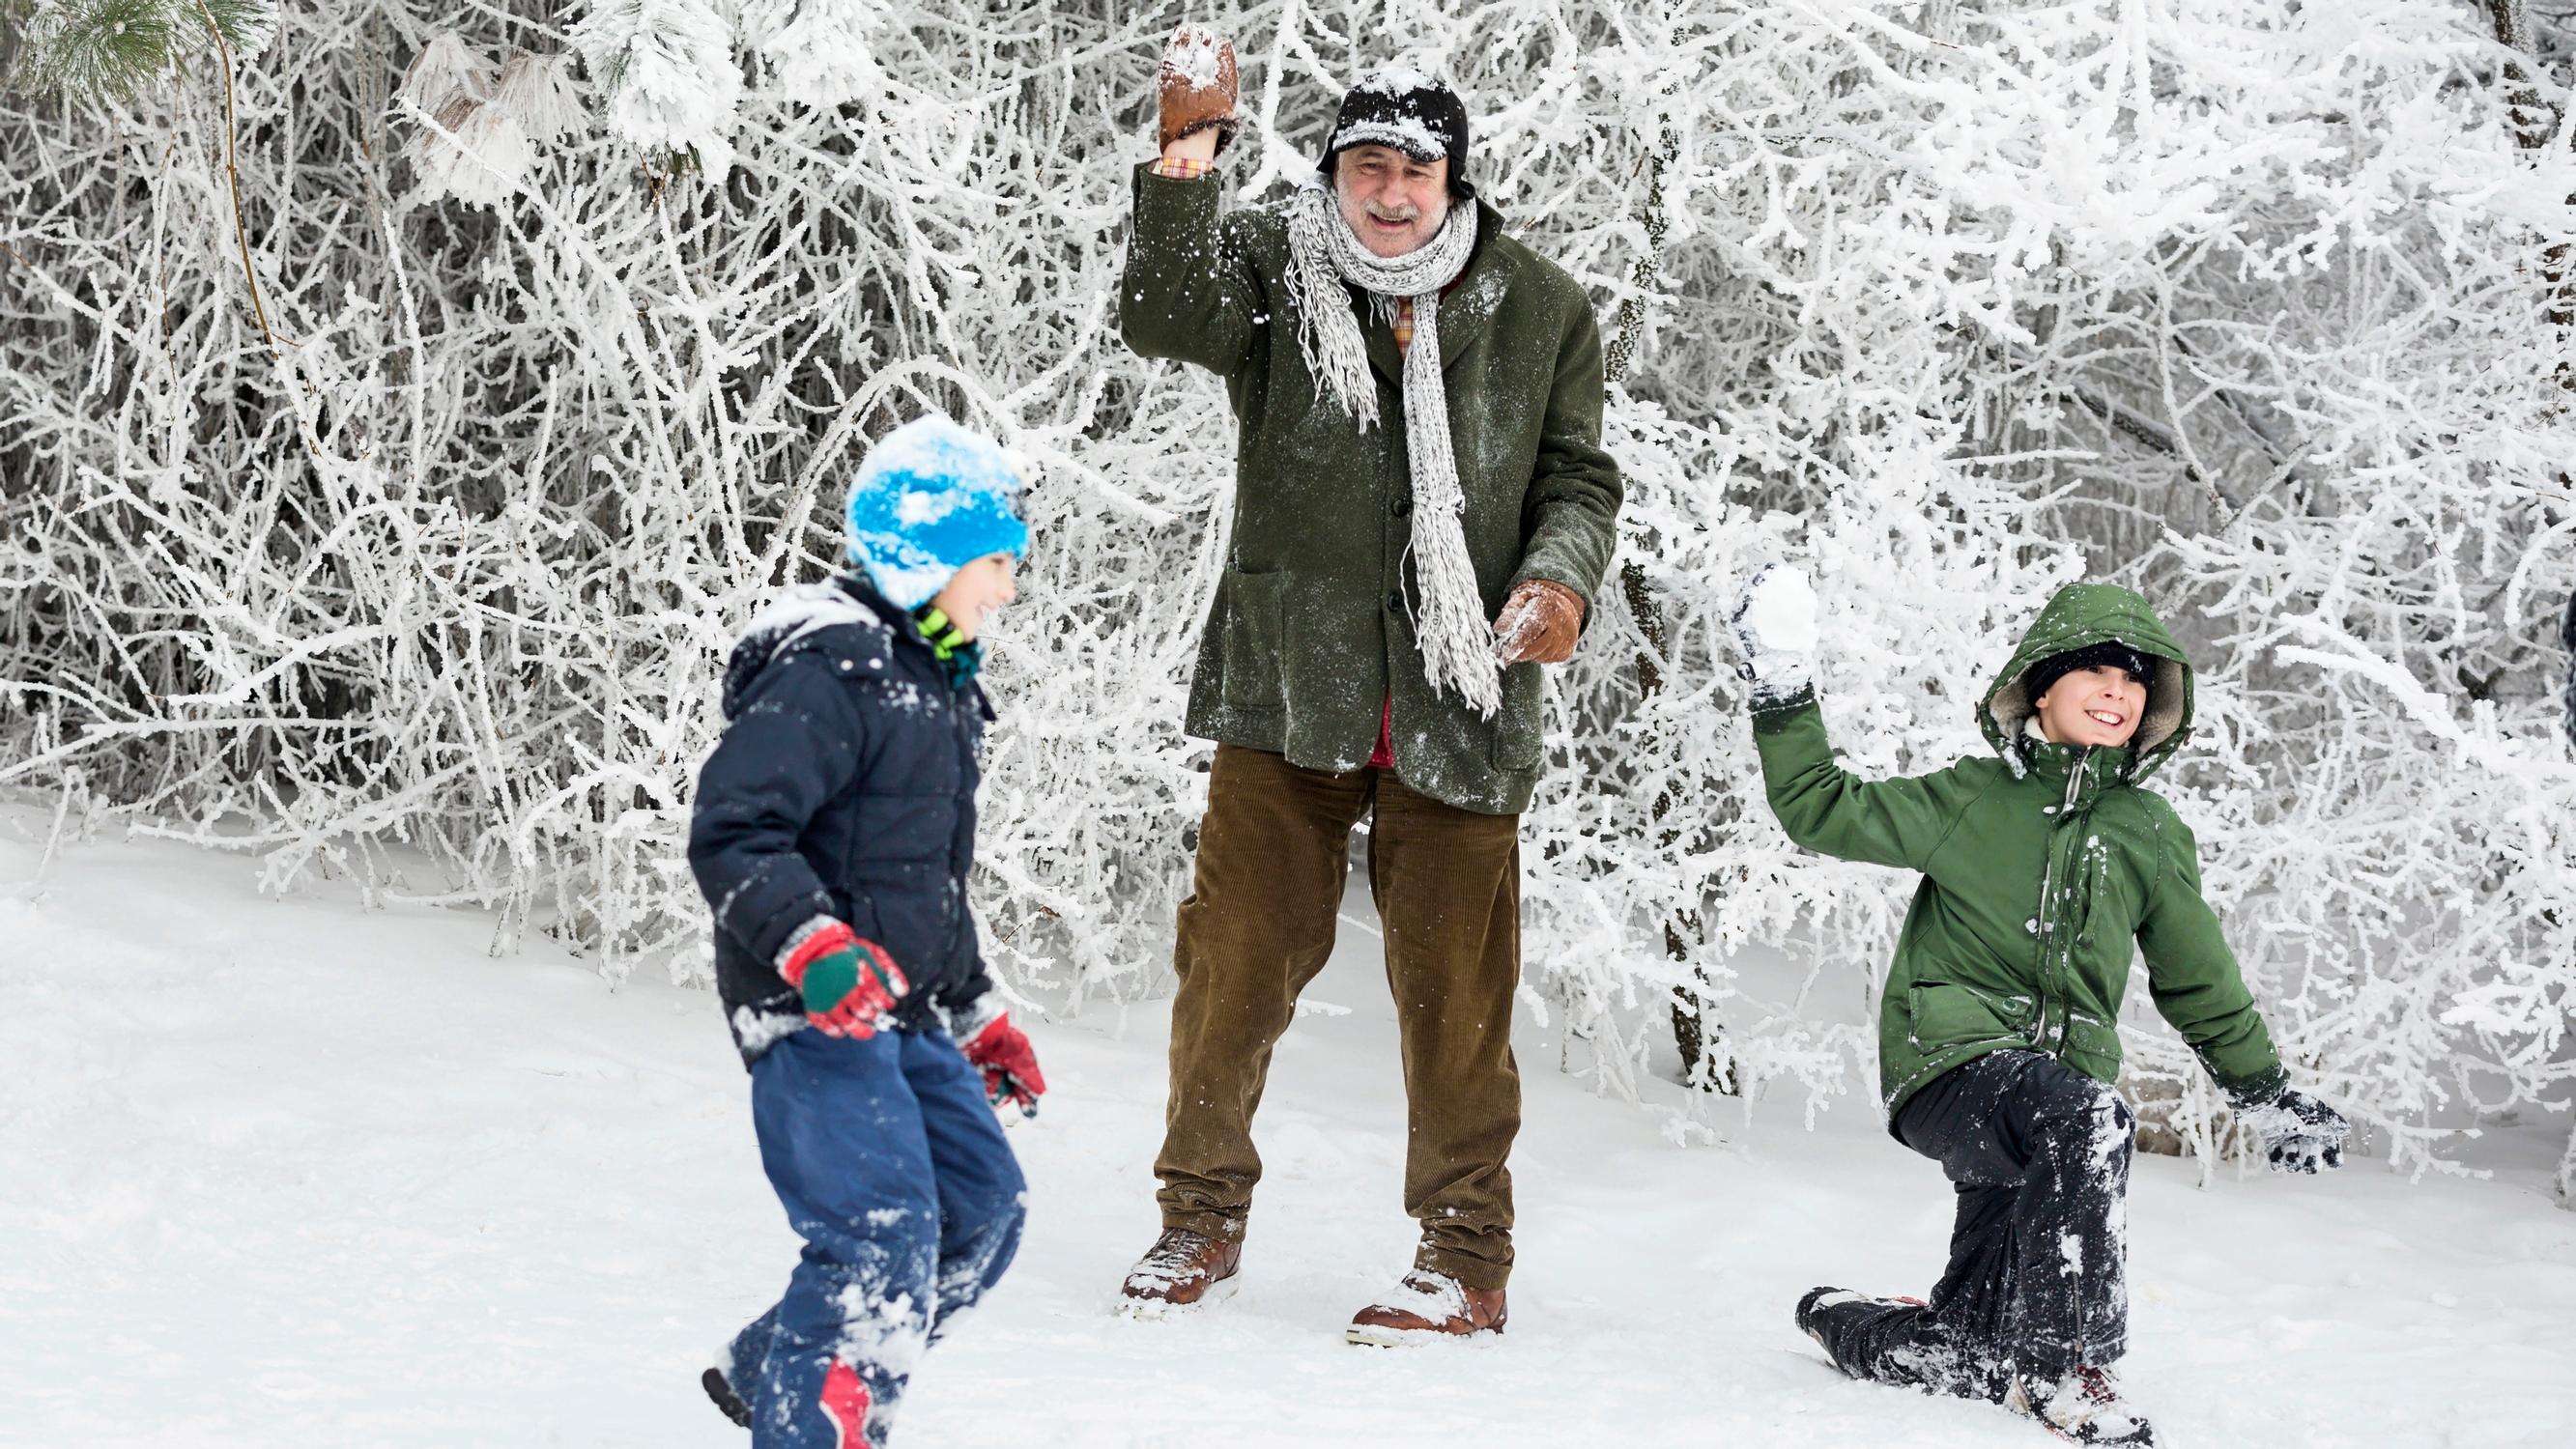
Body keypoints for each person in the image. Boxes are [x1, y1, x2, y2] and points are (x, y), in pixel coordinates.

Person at [1113, 29, 1623, 1343]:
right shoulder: (1277, 275)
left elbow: (1577, 478)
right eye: (1365, 167)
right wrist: (1184, 162)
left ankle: (1465, 1255)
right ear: (1333, 174)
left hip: (1462, 695)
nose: (1388, 193)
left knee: (1458, 997)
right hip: (1291, 683)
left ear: (1453, 180)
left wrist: (1559, 583)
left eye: (1413, 169)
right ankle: (1196, 1220)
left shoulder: (1540, 306)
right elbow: (1161, 314)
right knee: (1231, 965)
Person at [1729, 568, 2351, 1446]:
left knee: (1967, 1348)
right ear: (2041, 687)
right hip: (1952, 1069)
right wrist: (1783, 687)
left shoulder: (2148, 831)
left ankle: (1845, 1320)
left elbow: (2198, 978)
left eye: (2136, 678)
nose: (2117, 690)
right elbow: (1821, 809)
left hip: (2049, 1115)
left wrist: (2265, 1091)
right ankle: (2068, 1370)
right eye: (2096, 669)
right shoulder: (1974, 797)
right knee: (2089, 1119)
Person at [688, 415, 1048, 1447]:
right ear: (927, 554)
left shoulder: (937, 686)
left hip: (906, 1008)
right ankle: (815, 1421)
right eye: (994, 563)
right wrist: (810, 943)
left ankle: (771, 1372)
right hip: (812, 1010)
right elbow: (734, 832)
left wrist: (977, 1015)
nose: (1008, 590)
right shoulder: (829, 667)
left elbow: (924, 881)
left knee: (981, 1211)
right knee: (880, 1243)